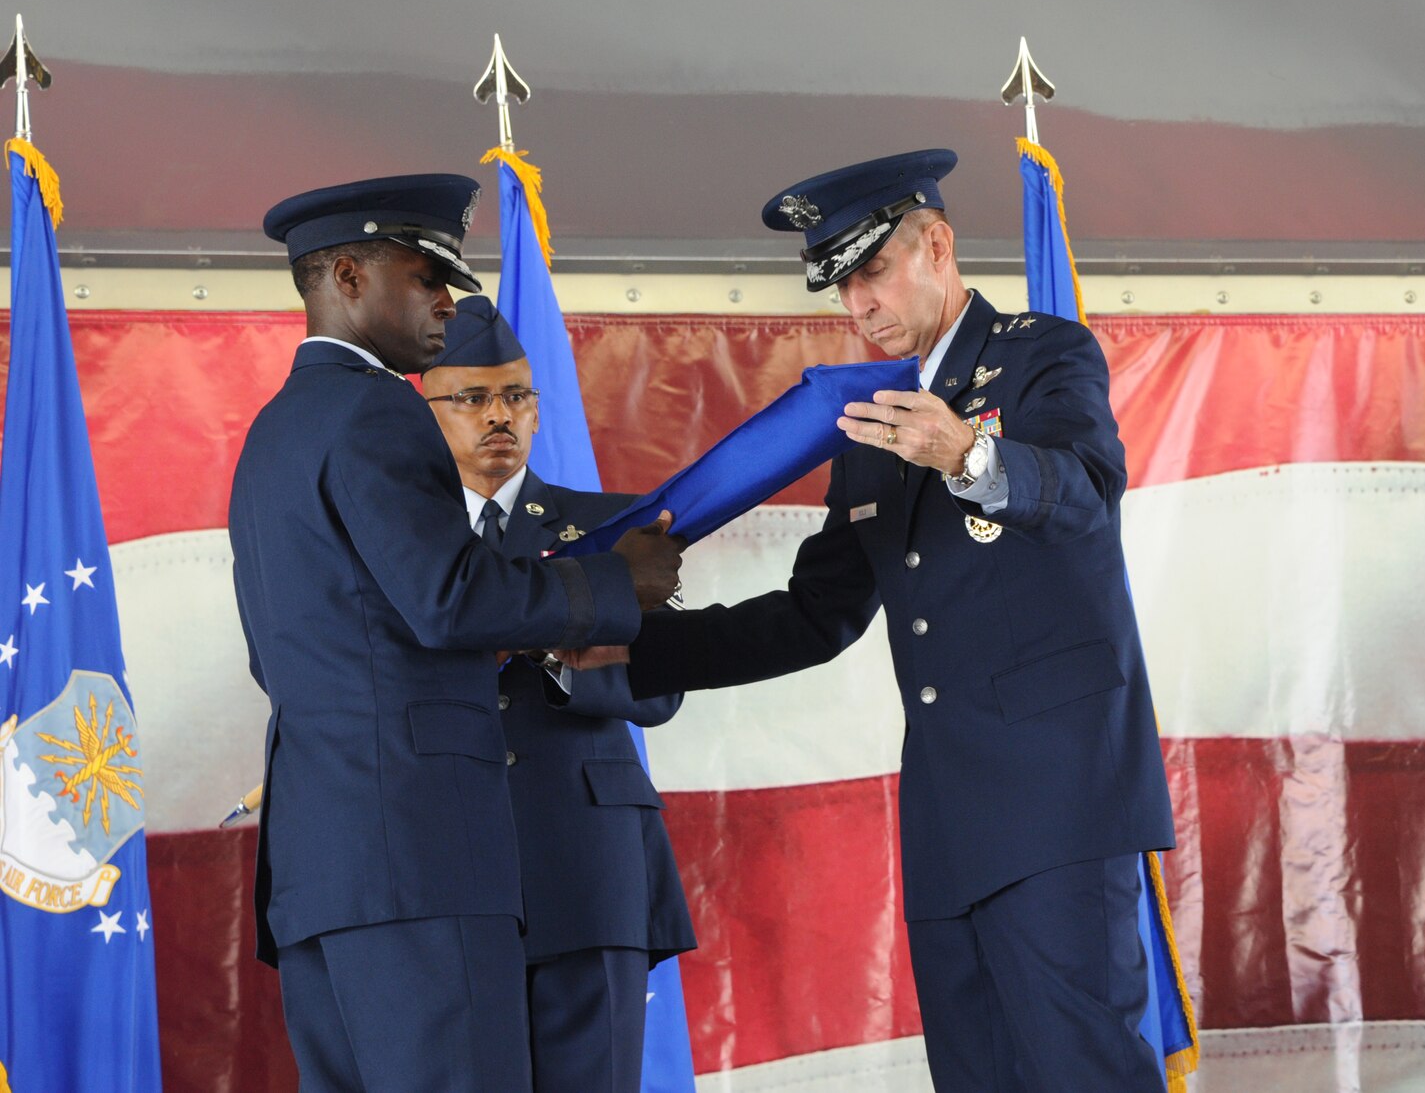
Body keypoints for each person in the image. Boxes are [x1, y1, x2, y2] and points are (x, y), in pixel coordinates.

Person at [571, 150, 1176, 1091]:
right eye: (840, 285)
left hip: (1060, 805)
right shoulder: (870, 418)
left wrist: (971, 452)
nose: (858, 303)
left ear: (936, 245)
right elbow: (815, 616)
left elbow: (1088, 494)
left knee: (1084, 1074)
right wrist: (621, 634)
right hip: (947, 820)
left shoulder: (1043, 354)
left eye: (871, 271)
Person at [228, 174, 683, 1093]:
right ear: (347, 275)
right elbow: (447, 596)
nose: (447, 299)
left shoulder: (275, 432)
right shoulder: (376, 408)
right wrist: (610, 584)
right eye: (425, 275)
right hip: (423, 865)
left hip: (327, 873)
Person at [420, 296, 695, 1093]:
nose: (497, 415)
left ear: (539, 411)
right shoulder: (404, 538)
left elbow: (661, 686)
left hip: (587, 859)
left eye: (515, 396)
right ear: (429, 412)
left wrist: (553, 650)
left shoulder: (612, 531)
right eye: (471, 398)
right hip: (448, 860)